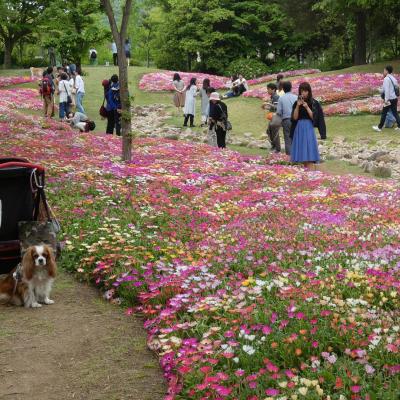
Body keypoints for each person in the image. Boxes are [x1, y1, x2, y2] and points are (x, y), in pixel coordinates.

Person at [290, 82, 323, 168]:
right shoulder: (296, 103)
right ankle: (305, 172)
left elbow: (314, 117)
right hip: (299, 127)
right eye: (302, 91)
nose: (303, 93)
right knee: (301, 153)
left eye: (305, 91)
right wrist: (297, 106)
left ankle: (309, 171)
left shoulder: (313, 103)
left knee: (309, 151)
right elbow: (295, 117)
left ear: (309, 91)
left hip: (308, 127)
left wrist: (307, 107)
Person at [373, 65, 400, 132]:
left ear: (387, 71)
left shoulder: (386, 79)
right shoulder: (393, 78)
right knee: (395, 113)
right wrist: (381, 90)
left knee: (384, 113)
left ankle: (379, 127)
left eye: (384, 70)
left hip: (389, 99)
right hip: (394, 98)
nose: (383, 72)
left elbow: (386, 90)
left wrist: (386, 100)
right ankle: (399, 126)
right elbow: (396, 88)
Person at [276, 81, 298, 155]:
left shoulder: (281, 99)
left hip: (286, 120)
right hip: (296, 120)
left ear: (283, 89)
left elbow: (278, 112)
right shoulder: (296, 97)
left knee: (288, 139)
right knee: (296, 138)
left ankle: (289, 157)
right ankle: (297, 155)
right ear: (291, 88)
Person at [263, 83, 281, 153]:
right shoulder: (272, 97)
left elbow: (276, 107)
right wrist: (266, 107)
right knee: (269, 131)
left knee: (274, 133)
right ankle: (274, 146)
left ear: (273, 89)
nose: (267, 91)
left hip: (276, 117)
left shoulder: (276, 97)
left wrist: (268, 104)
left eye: (268, 89)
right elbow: (272, 107)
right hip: (273, 117)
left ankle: (277, 148)